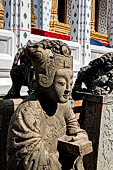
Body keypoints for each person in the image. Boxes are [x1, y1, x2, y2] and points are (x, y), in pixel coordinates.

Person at [7, 39, 88, 170]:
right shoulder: (28, 111)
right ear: (46, 81)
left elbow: (77, 130)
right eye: (61, 83)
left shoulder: (64, 107)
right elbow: (27, 155)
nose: (68, 89)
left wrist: (80, 138)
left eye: (70, 83)